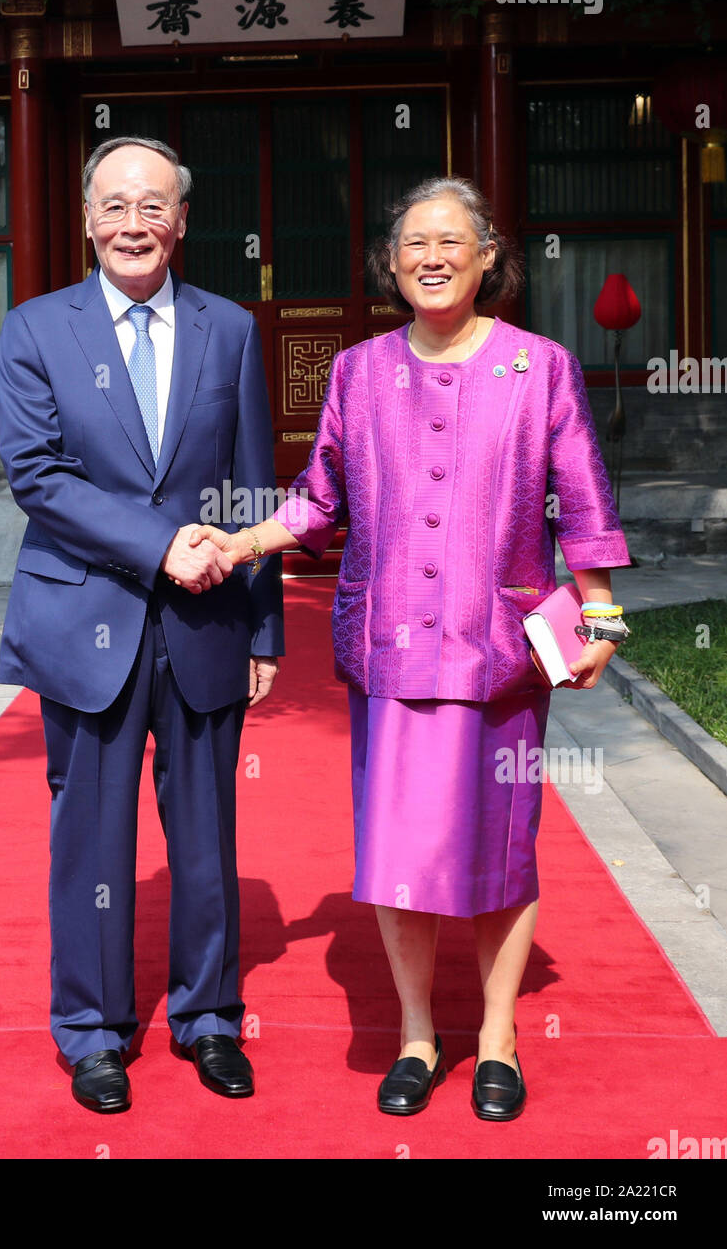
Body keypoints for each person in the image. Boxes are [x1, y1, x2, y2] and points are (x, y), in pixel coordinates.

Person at [191, 175, 630, 1121]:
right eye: (411, 245)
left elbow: (583, 501)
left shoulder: (539, 366)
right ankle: (418, 1034)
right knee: (398, 853)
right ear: (389, 266)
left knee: (502, 854)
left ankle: (500, 1040)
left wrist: (600, 618)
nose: (430, 257)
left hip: (500, 656)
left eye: (450, 242)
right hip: (389, 651)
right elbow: (317, 500)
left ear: (485, 258)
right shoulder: (356, 372)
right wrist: (240, 541)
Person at [0, 136, 283, 1113]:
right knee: (91, 839)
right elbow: (39, 476)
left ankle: (209, 1017)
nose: (133, 223)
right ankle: (94, 1030)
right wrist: (163, 544)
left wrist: (266, 628)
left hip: (207, 624)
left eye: (152, 206)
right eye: (114, 205)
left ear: (183, 222)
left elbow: (251, 483)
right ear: (84, 219)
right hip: (86, 619)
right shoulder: (36, 330)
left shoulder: (229, 329)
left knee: (207, 837)